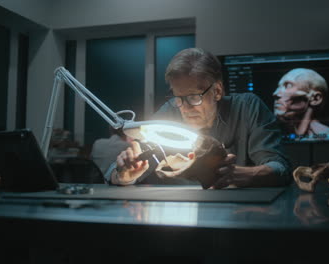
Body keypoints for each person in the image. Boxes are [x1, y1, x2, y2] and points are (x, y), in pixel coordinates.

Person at [110, 48, 292, 188]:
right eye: (178, 97)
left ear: (218, 91)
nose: (185, 107)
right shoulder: (171, 111)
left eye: (194, 96)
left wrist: (247, 174)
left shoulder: (247, 107)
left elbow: (279, 167)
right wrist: (123, 175)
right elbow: (116, 172)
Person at [272, 68, 329, 141]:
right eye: (278, 87)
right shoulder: (278, 138)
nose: (275, 93)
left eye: (288, 85)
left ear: (316, 98)